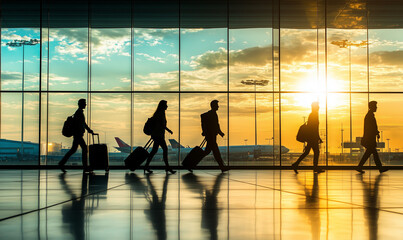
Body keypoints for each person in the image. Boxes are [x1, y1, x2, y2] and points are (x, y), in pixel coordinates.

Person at [59, 99, 93, 174]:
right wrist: (89, 130)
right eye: (84, 103)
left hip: (77, 134)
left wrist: (88, 130)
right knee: (84, 149)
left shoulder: (79, 112)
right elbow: (82, 124)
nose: (85, 105)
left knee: (73, 150)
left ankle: (61, 163)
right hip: (78, 135)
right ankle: (85, 167)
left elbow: (83, 123)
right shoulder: (79, 113)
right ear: (80, 104)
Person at [144, 100, 176, 174]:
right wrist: (168, 130)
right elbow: (161, 125)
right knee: (165, 149)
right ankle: (167, 167)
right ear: (162, 106)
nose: (167, 106)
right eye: (166, 105)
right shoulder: (160, 114)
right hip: (158, 136)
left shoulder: (159, 113)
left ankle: (146, 166)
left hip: (157, 135)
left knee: (154, 151)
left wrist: (167, 130)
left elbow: (161, 125)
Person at [292, 102, 324, 174]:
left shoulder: (312, 115)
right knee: (316, 152)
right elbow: (314, 128)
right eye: (318, 106)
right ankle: (315, 168)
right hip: (312, 138)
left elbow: (313, 128)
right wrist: (317, 137)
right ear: (315, 107)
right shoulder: (314, 115)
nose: (319, 107)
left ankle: (295, 164)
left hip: (311, 137)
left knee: (307, 152)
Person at [356, 101, 388, 174]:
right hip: (370, 139)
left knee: (369, 153)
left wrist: (376, 133)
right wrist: (376, 133)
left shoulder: (369, 115)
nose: (376, 107)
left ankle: (360, 167)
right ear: (372, 107)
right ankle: (380, 168)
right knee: (373, 153)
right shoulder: (370, 116)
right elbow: (371, 128)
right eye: (375, 106)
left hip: (370, 138)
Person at [201, 100, 229, 173]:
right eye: (217, 105)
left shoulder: (213, 114)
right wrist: (220, 132)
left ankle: (191, 163)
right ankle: (222, 167)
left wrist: (220, 132)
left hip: (211, 137)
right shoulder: (212, 114)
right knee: (216, 152)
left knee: (207, 152)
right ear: (213, 106)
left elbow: (216, 125)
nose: (218, 106)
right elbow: (215, 126)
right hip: (211, 137)